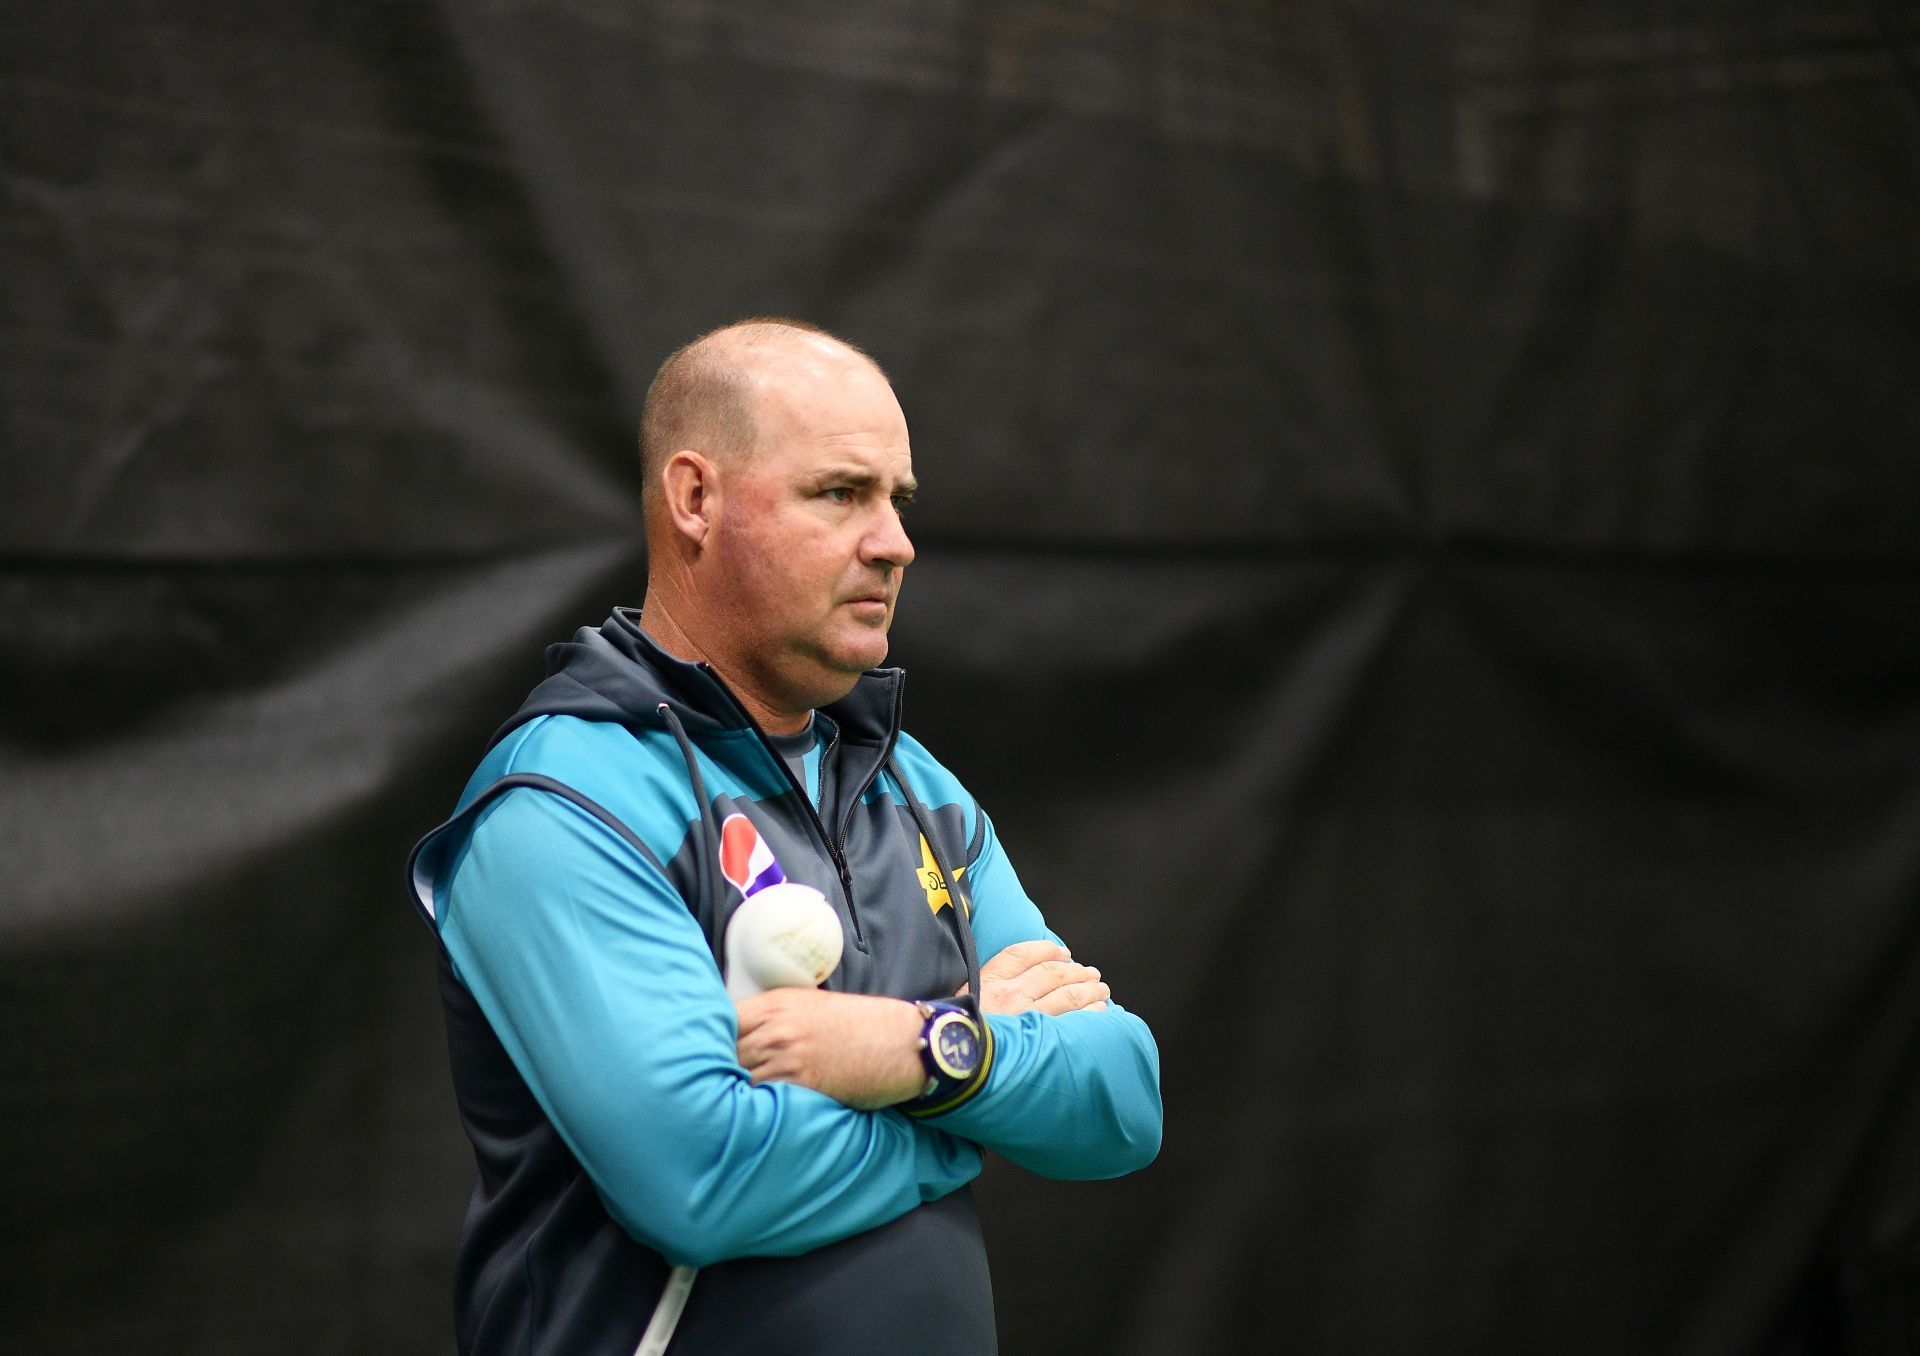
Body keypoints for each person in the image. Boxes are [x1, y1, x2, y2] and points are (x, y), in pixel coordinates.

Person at [405, 318, 1162, 1354]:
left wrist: (907, 1048)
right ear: (695, 500)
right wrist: (976, 1089)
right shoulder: (563, 798)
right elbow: (704, 1178)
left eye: (898, 501)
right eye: (840, 493)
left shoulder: (917, 785)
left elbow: (1121, 1103)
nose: (893, 541)